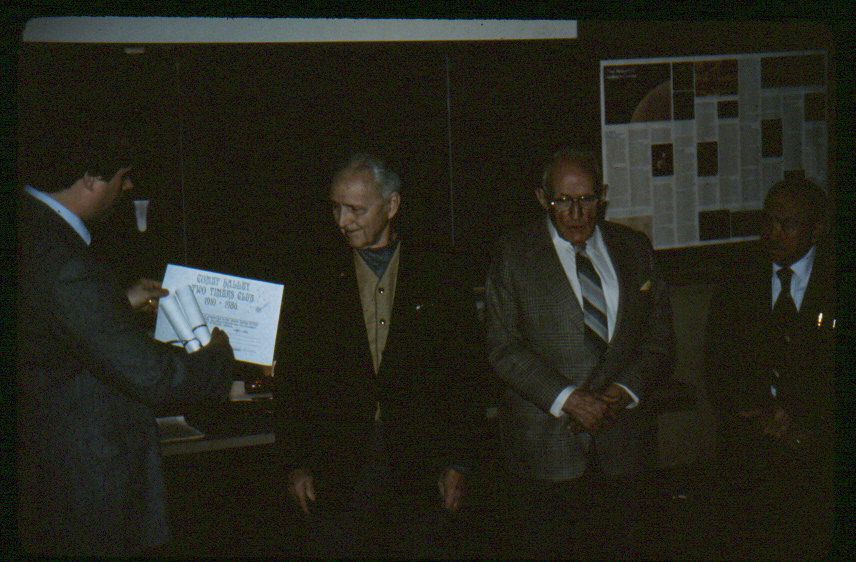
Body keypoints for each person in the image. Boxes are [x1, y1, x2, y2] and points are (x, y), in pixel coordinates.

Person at [15, 126, 235, 556]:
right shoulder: (66, 263)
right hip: (86, 484)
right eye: (124, 176)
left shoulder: (31, 229)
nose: (129, 186)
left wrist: (115, 303)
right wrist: (218, 355)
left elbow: (52, 328)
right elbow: (151, 376)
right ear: (90, 179)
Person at [275, 153, 482, 558]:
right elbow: (295, 376)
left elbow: (465, 373)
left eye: (356, 210)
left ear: (392, 206)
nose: (342, 221)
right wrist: (295, 463)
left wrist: (459, 463)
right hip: (338, 462)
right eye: (335, 207)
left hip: (422, 462)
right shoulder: (313, 274)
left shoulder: (440, 270)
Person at [484, 147, 674, 559]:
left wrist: (624, 390)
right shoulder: (512, 255)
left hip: (624, 444)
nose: (576, 213)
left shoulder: (634, 247)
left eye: (587, 199)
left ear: (602, 196)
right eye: (562, 201)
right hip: (546, 451)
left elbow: (659, 338)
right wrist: (570, 399)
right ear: (541, 199)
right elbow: (502, 347)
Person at [704, 175, 835, 559]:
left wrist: (803, 425)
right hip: (748, 447)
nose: (772, 234)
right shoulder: (739, 272)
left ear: (816, 231)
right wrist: (758, 416)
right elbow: (717, 361)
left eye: (787, 225)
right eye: (768, 221)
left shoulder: (836, 278)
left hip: (817, 450)